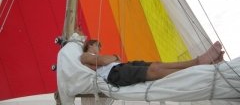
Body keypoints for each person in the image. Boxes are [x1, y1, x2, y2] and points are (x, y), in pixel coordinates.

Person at [80, 40, 224, 87]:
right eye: (97, 45)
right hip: (114, 73)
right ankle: (196, 69)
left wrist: (114, 59)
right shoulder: (85, 56)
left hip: (120, 67)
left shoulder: (93, 57)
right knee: (154, 71)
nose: (99, 48)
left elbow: (105, 60)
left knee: (156, 65)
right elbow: (104, 60)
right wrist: (114, 56)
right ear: (90, 45)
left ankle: (197, 61)